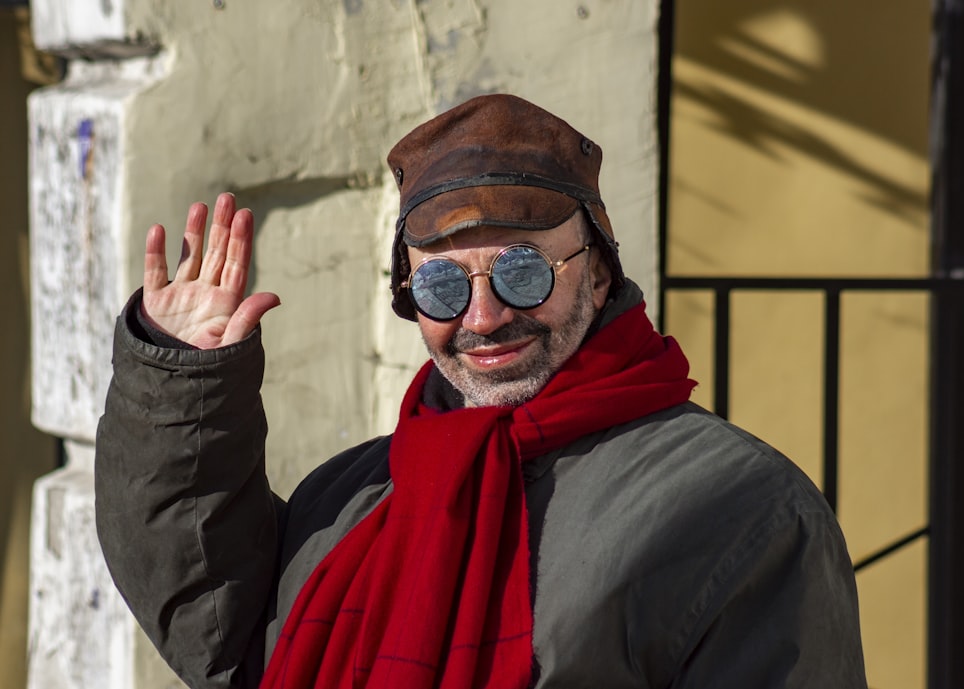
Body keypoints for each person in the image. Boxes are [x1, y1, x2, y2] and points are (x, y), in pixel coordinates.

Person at [95, 94, 867, 689]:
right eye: (440, 284)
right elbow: (220, 635)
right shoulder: (358, 495)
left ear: (597, 272)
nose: (485, 316)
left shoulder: (742, 506)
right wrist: (182, 381)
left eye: (523, 271)